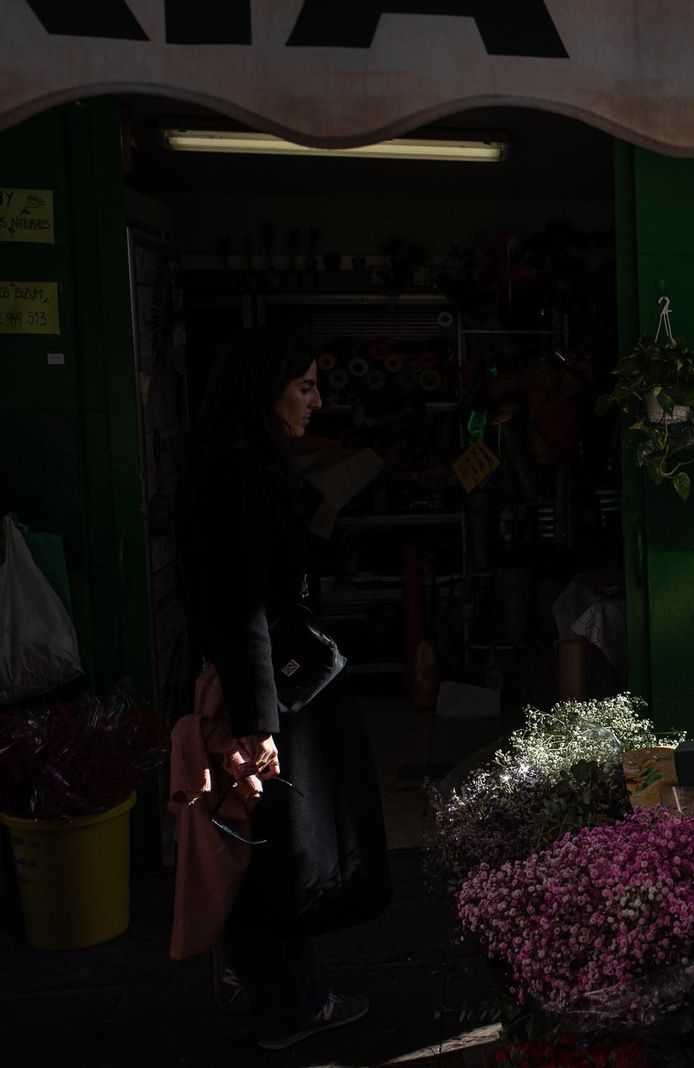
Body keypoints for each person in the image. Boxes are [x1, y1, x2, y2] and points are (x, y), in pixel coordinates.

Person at [175, 327, 391, 1051]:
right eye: (303, 387)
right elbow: (241, 610)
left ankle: (268, 982)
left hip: (258, 688)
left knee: (268, 845)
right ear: (263, 393)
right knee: (272, 849)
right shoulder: (237, 470)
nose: (316, 401)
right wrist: (258, 722)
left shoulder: (236, 460)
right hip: (259, 696)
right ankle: (286, 1003)